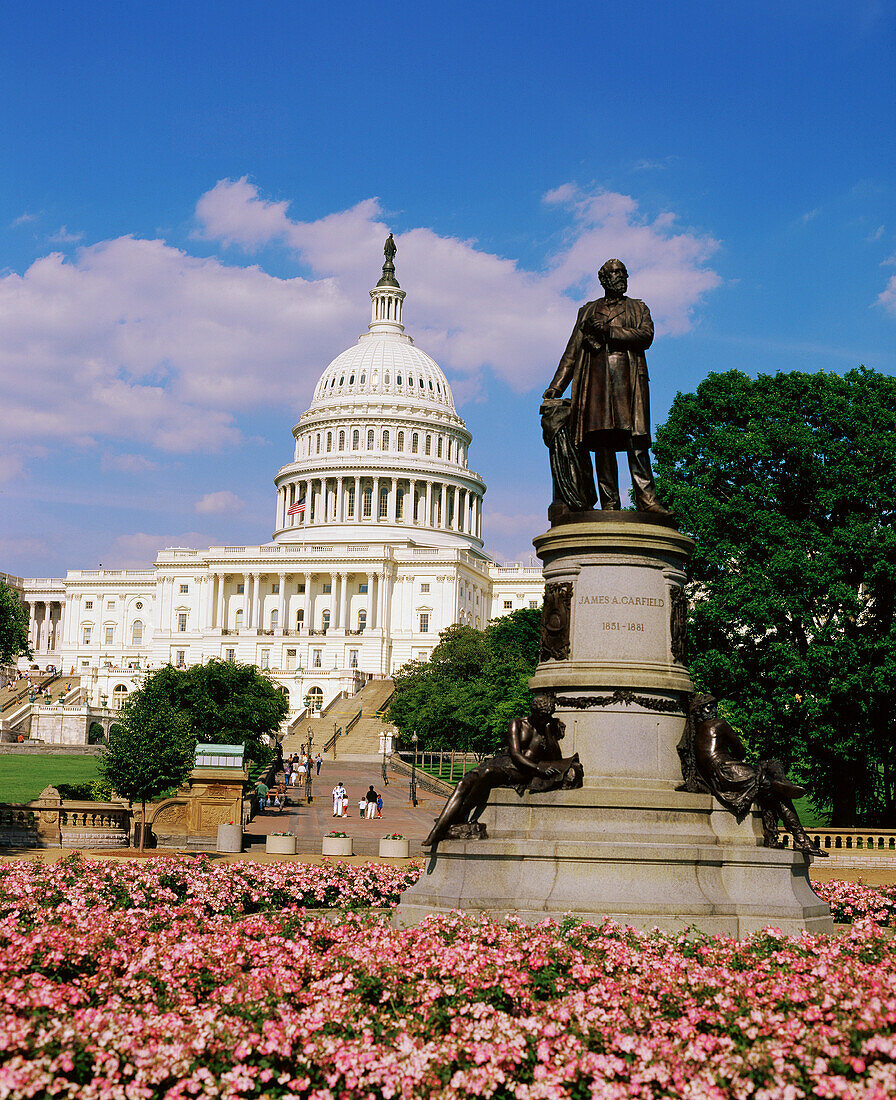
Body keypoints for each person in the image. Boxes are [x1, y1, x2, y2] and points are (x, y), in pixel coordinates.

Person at [543, 258, 671, 515]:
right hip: (597, 383)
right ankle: (610, 504)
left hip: (629, 381)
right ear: (603, 279)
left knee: (635, 442)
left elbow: (646, 336)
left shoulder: (638, 308)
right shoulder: (588, 311)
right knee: (603, 444)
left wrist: (610, 332)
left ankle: (647, 500)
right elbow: (572, 352)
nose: (621, 277)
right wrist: (556, 387)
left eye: (624, 273)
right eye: (615, 273)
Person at [423, 691, 583, 848]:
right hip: (505, 762)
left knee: (488, 774)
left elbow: (556, 758)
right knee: (462, 784)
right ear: (534, 712)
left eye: (548, 716)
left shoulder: (549, 728)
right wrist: (538, 767)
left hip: (521, 772)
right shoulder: (517, 724)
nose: (545, 719)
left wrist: (548, 732)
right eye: (542, 716)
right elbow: (515, 753)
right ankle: (436, 832)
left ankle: (455, 818)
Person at [688, 695, 828, 857]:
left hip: (717, 773)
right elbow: (740, 750)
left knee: (769, 778)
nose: (714, 709)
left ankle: (776, 824)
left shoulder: (694, 733)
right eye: (710, 706)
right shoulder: (719, 724)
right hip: (726, 769)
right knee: (773, 786)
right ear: (702, 710)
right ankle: (800, 837)